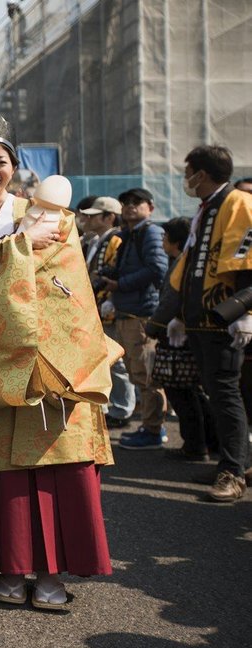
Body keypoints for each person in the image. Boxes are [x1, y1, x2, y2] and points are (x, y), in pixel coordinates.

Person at [0, 112, 112, 610]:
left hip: (52, 360)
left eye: (0, 161)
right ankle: (10, 564)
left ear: (14, 166)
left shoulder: (51, 212)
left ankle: (50, 570)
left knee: (56, 469)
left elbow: (68, 287)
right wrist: (20, 247)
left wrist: (9, 253)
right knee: (3, 472)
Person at [166, 145, 252, 502]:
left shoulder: (238, 204)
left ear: (201, 174)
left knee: (228, 395)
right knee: (221, 395)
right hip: (202, 319)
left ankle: (232, 472)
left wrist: (246, 312)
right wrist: (179, 315)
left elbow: (248, 259)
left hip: (226, 319)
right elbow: (190, 268)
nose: (186, 179)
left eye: (188, 172)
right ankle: (229, 464)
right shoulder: (207, 209)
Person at [98, 188, 168, 449]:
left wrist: (120, 284)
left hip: (141, 312)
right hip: (129, 311)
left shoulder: (150, 232)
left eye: (136, 202)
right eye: (125, 202)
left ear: (150, 206)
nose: (129, 206)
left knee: (146, 374)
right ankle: (150, 427)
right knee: (139, 373)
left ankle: (153, 430)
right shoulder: (130, 234)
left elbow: (157, 269)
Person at [149, 217, 216, 461]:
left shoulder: (180, 264)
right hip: (185, 333)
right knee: (192, 392)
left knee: (181, 393)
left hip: (176, 337)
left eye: (165, 237)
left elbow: (170, 301)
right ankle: (208, 441)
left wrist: (152, 326)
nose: (163, 242)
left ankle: (195, 445)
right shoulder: (187, 260)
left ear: (175, 241)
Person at [82, 196, 134, 429]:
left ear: (109, 217)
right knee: (106, 360)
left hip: (107, 306)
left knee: (116, 360)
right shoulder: (96, 240)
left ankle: (123, 408)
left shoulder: (115, 239)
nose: (88, 219)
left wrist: (110, 298)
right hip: (97, 306)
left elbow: (113, 272)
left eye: (95, 215)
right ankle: (115, 405)